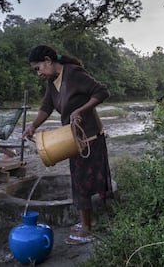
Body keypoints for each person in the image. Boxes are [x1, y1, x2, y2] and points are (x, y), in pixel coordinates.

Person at [22, 45, 113, 245]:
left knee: (84, 183)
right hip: (73, 139)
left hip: (90, 137)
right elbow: (46, 107)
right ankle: (86, 222)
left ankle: (87, 230)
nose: (38, 73)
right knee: (79, 182)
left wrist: (81, 110)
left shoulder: (74, 73)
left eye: (38, 68)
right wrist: (33, 126)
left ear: (48, 60)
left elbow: (102, 91)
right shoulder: (52, 82)